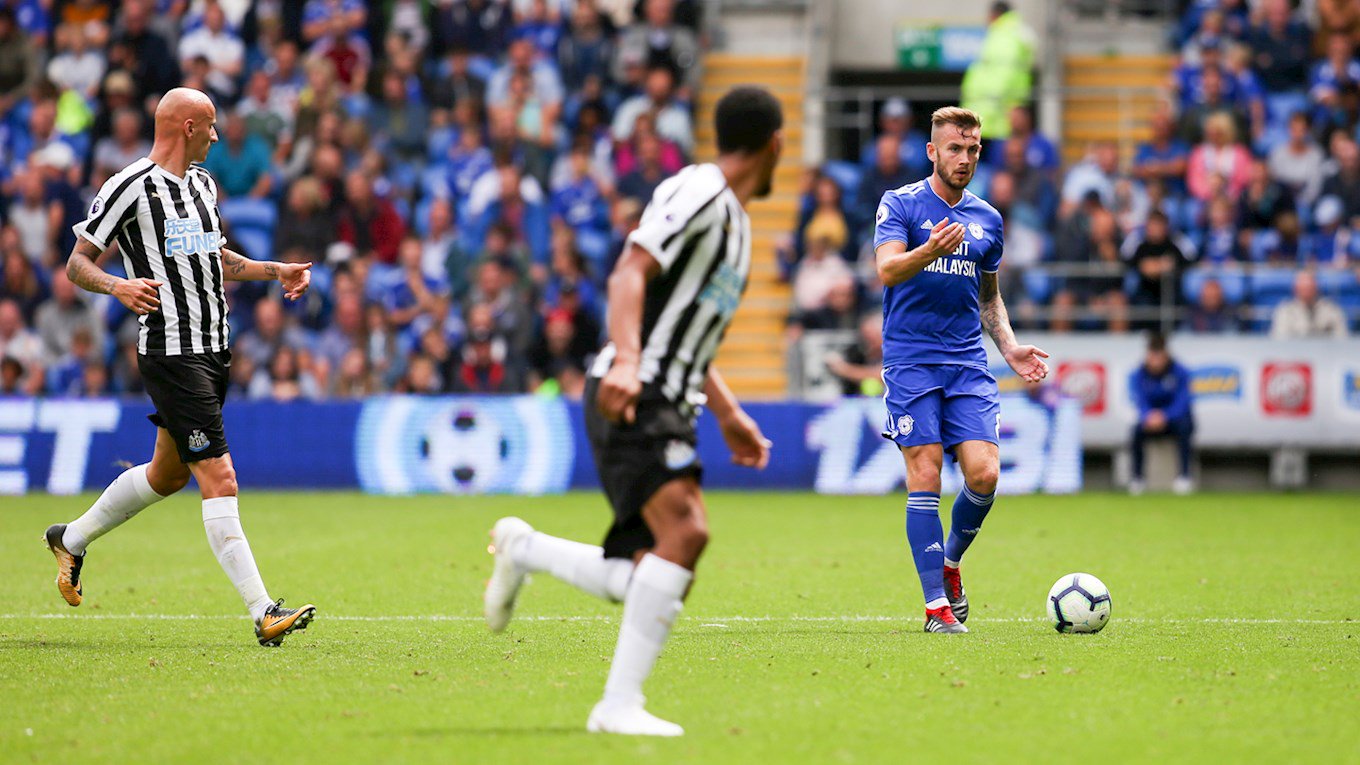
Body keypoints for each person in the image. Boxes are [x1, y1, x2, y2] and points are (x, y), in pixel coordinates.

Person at [481, 87, 782, 736]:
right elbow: (628, 272)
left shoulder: (738, 228)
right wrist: (626, 360)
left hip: (668, 395)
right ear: (774, 145)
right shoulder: (700, 189)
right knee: (686, 532)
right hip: (634, 390)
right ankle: (617, 705)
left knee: (656, 567)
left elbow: (687, 335)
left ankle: (525, 549)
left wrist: (728, 413)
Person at [46, 88, 316, 647]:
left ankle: (69, 539)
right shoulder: (128, 186)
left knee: (166, 475)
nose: (216, 135)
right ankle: (264, 611)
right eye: (210, 125)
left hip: (214, 348)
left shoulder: (202, 185)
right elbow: (76, 263)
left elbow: (216, 257)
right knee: (220, 477)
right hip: (171, 351)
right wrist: (117, 285)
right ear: (188, 127)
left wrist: (275, 270)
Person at [872, 106, 1049, 634]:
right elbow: (887, 269)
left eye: (972, 149)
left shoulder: (988, 218)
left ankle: (949, 563)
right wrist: (928, 249)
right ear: (933, 151)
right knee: (925, 471)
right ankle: (936, 609)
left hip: (967, 362)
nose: (965, 158)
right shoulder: (900, 203)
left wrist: (1009, 347)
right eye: (955, 148)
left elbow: (988, 296)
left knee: (985, 474)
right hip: (910, 360)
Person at [1128, 333, 1195, 496]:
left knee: (1185, 428)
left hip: (1175, 420)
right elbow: (1139, 400)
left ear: (1166, 355)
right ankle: (1137, 479)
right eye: (1153, 356)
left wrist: (1165, 416)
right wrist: (1148, 416)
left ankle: (1184, 477)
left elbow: (1183, 401)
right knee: (1136, 432)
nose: (1156, 361)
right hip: (1150, 421)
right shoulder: (1139, 374)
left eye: (1159, 356)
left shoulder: (1181, 372)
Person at [1269, 270, 1350, 338]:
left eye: (1309, 288)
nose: (1307, 293)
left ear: (1316, 289)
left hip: (1326, 350)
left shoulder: (1332, 310)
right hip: (1295, 351)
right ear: (1295, 290)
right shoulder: (1285, 311)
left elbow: (1342, 336)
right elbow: (1280, 338)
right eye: (1303, 289)